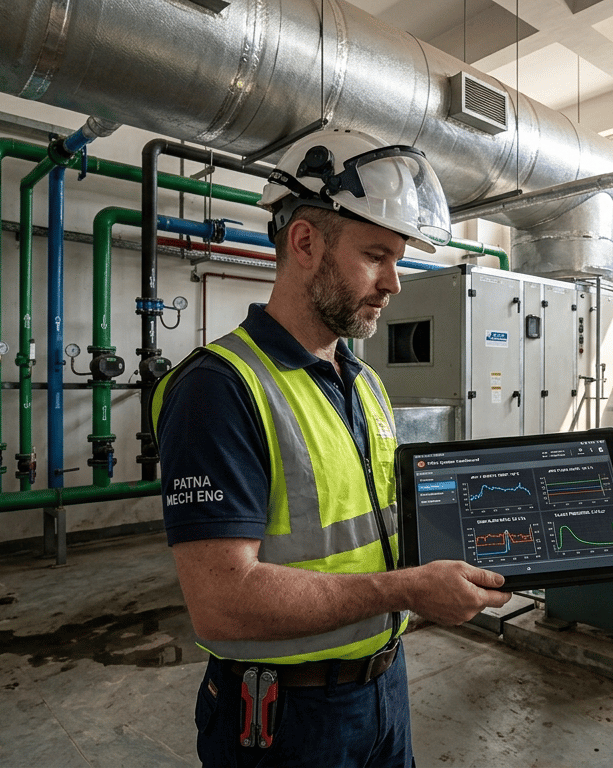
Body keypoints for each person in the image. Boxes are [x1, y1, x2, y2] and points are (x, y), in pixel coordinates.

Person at [150, 129, 511, 768]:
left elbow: (374, 531)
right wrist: (405, 590)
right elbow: (222, 603)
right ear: (307, 243)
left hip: (383, 689)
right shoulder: (219, 388)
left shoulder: (365, 381)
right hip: (285, 719)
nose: (394, 283)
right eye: (376, 255)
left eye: (398, 259)